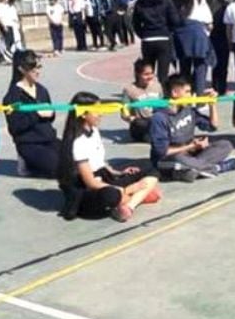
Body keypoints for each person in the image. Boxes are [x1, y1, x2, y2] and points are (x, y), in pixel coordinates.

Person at [58, 91, 161, 222]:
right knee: (111, 195)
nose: (100, 114)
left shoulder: (93, 130)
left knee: (150, 167)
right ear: (83, 114)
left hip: (104, 177)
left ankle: (129, 205)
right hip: (92, 189)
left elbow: (99, 163)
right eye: (96, 111)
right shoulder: (78, 142)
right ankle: (132, 196)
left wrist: (118, 172)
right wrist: (125, 189)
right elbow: (90, 182)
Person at [150, 75, 235, 182]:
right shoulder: (159, 118)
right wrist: (191, 146)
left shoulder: (188, 109)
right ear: (175, 93)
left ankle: (192, 170)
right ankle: (217, 168)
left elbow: (213, 126)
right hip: (169, 159)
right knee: (179, 159)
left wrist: (212, 104)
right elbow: (162, 152)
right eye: (187, 92)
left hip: (190, 155)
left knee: (225, 145)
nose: (191, 95)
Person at [2, 50, 60, 178]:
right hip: (29, 143)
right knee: (60, 169)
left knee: (76, 159)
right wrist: (36, 113)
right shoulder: (13, 96)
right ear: (22, 69)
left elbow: (49, 118)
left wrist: (51, 113)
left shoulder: (41, 90)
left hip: (49, 139)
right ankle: (27, 162)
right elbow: (15, 128)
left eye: (39, 67)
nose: (38, 71)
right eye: (33, 68)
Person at [133, 0, 181, 83]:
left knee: (148, 71)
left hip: (147, 39)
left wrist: (143, 34)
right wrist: (168, 31)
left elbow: (135, 23)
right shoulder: (166, 0)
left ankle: (149, 92)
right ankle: (163, 93)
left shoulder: (140, 3)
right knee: (163, 74)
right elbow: (175, 20)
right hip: (163, 38)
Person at [172, 0, 215, 93]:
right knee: (200, 69)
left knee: (184, 69)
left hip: (181, 35)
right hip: (199, 35)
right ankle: (199, 96)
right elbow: (209, 22)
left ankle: (185, 96)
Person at [121, 59, 164, 142]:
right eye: (146, 74)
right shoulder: (129, 89)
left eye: (151, 73)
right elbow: (124, 112)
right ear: (137, 74)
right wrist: (130, 118)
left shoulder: (157, 86)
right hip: (141, 123)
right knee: (140, 124)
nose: (150, 77)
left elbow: (163, 104)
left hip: (156, 120)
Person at [208, 0, 230, 95]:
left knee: (214, 64)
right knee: (223, 63)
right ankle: (222, 87)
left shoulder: (206, 5)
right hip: (223, 37)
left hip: (211, 37)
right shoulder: (225, 6)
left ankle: (215, 85)